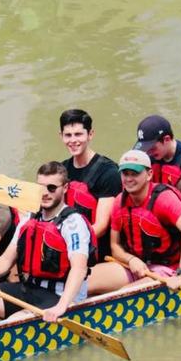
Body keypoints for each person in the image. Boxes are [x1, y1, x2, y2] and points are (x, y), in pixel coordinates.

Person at [0, 161, 96, 326]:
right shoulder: (29, 218)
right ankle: (2, 338)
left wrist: (61, 307)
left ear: (65, 188)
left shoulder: (73, 223)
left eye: (52, 188)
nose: (45, 193)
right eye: (41, 188)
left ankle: (8, 334)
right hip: (31, 289)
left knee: (14, 321)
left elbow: (79, 268)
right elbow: (5, 261)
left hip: (60, 295)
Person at [87, 150, 181, 295]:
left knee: (123, 295)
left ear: (149, 174)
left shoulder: (164, 199)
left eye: (135, 173)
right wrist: (131, 259)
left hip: (170, 268)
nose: (129, 179)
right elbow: (115, 246)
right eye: (125, 174)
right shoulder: (118, 202)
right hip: (136, 266)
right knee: (85, 281)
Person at [59, 109, 122, 260]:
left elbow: (101, 226)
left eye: (78, 134)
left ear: (90, 134)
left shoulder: (109, 172)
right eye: (68, 135)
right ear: (61, 136)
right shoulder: (61, 170)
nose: (73, 140)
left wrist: (69, 242)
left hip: (96, 252)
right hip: (67, 245)